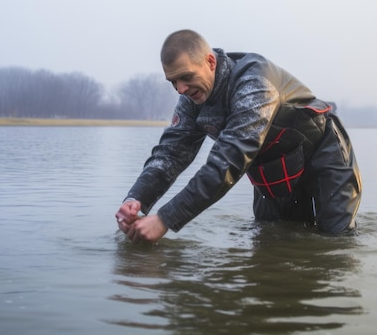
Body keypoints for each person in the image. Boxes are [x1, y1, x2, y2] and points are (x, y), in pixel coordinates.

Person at [115, 29, 362, 243]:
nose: (181, 89)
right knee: (273, 239)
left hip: (323, 154)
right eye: (173, 81)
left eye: (187, 77)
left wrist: (166, 218)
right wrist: (137, 199)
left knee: (335, 243)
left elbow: (229, 160)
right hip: (274, 170)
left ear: (210, 62)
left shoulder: (254, 82)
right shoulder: (190, 99)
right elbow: (170, 154)